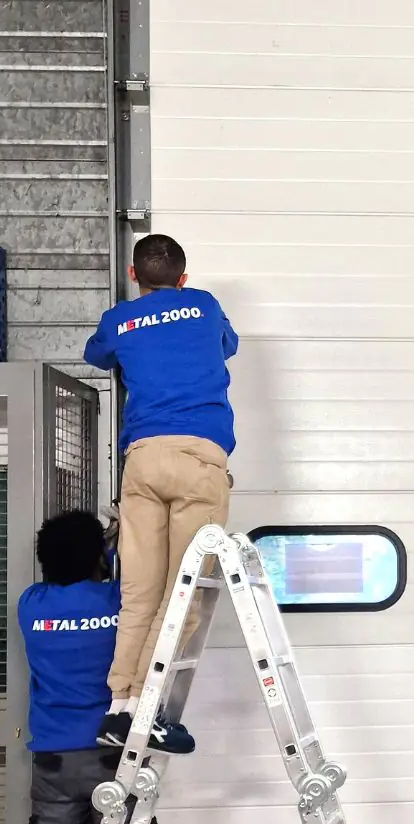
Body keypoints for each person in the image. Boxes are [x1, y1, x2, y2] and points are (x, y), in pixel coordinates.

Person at [83, 233, 238, 752]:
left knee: (139, 596)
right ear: (183, 278)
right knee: (183, 593)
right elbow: (227, 345)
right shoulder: (203, 305)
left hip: (143, 461)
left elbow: (97, 354)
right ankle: (148, 710)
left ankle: (119, 709)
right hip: (198, 460)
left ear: (133, 275)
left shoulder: (118, 319)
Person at [3, 510, 162, 824]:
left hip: (53, 765)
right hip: (115, 761)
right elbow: (133, 579)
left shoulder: (31, 605)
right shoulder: (119, 603)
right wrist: (119, 541)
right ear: (98, 557)